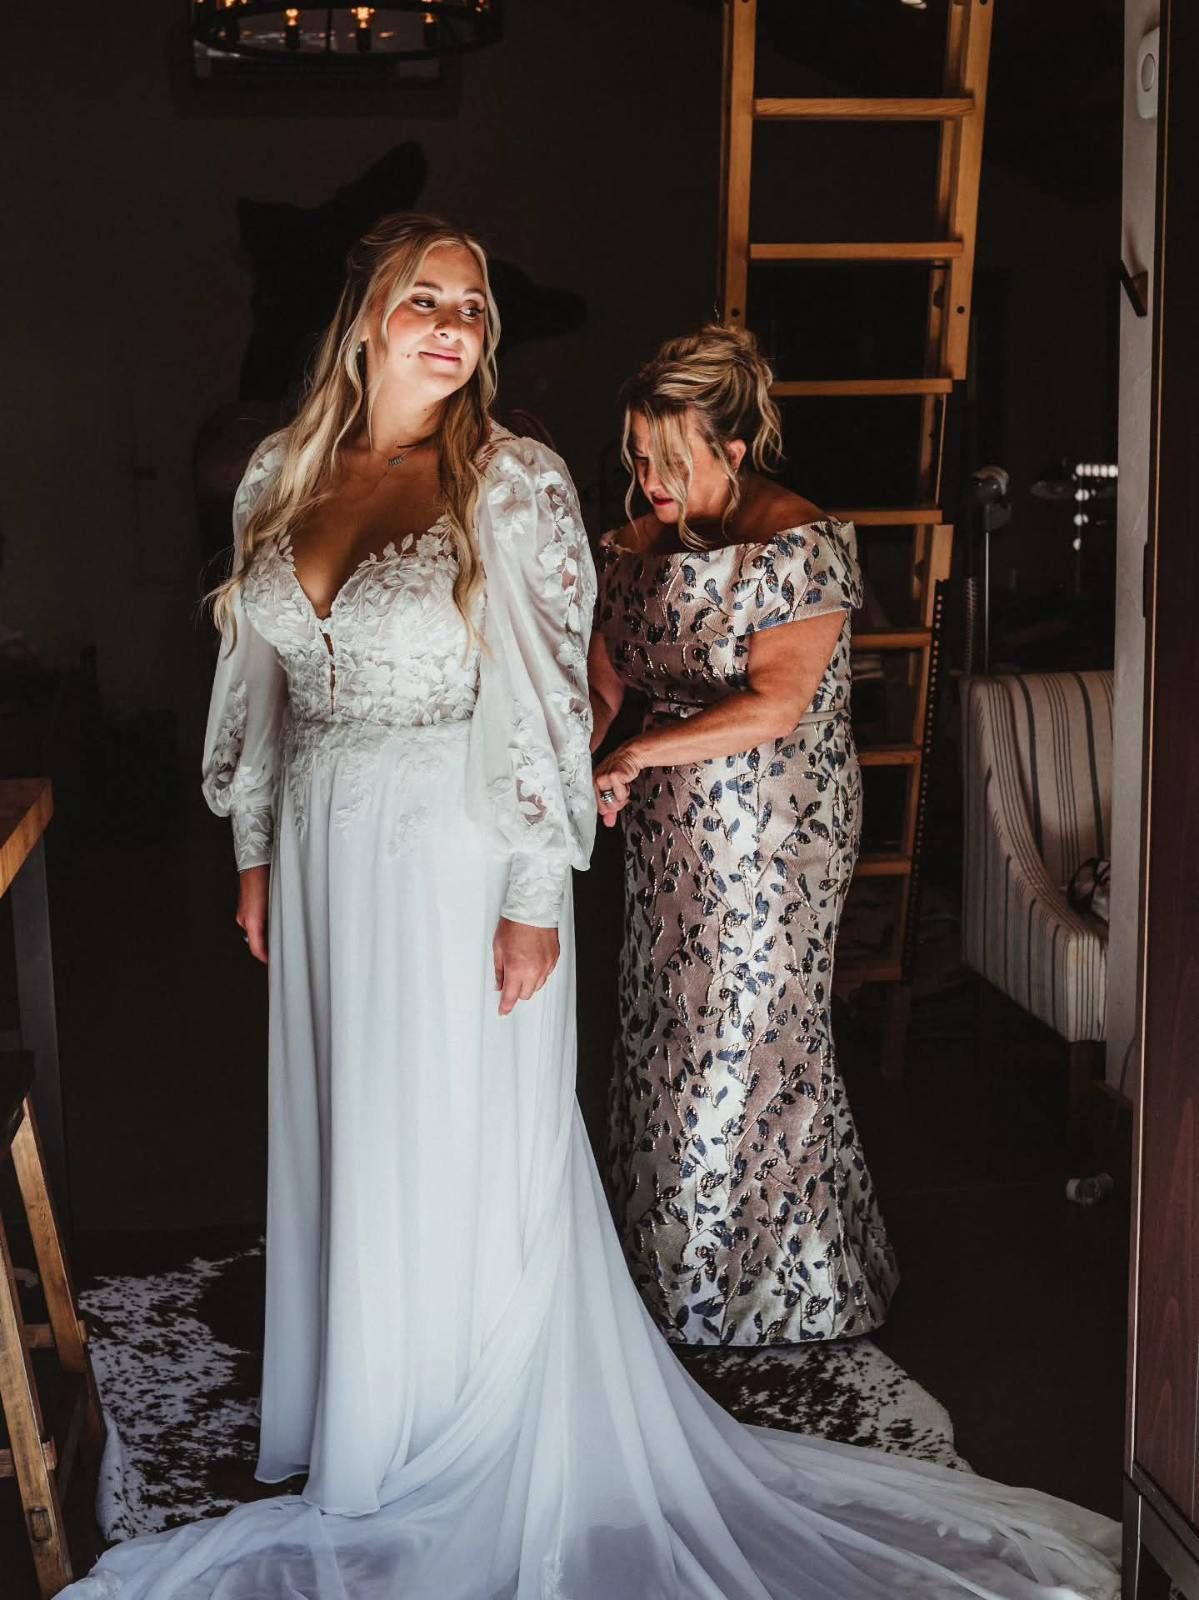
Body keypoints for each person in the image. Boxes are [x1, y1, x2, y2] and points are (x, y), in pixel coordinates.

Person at [61, 217, 1119, 1599]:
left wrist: (528, 892)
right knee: (348, 1112)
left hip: (454, 848)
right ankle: (355, 1405)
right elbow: (256, 683)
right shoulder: (282, 469)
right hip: (324, 854)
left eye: (472, 304)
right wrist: (255, 849)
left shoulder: (508, 483)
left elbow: (549, 706)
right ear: (364, 316)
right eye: (422, 297)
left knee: (450, 1128)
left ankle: (452, 1420)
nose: (451, 322)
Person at [591, 325, 898, 1346]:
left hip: (776, 832)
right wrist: (570, 762)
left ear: (731, 447)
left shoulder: (799, 544)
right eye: (638, 456)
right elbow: (607, 675)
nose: (650, 478)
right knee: (661, 1040)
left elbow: (773, 703)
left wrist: (635, 757)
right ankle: (664, 1276)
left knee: (748, 1043)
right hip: (668, 837)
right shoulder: (636, 542)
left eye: (669, 459)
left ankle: (778, 1292)